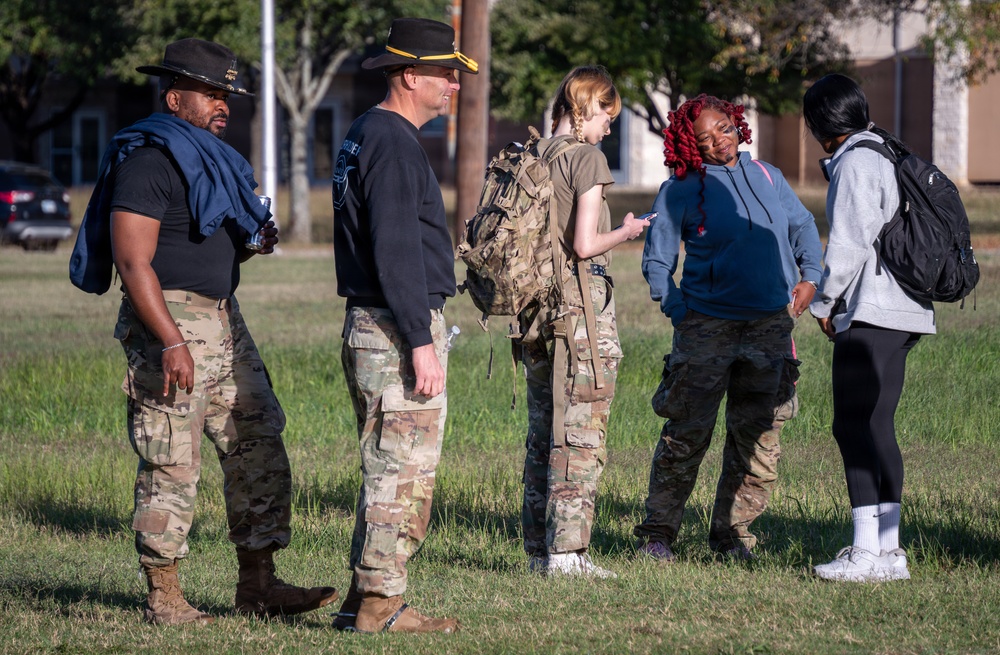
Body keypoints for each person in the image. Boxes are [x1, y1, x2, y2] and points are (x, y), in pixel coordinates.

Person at [77, 38, 338, 625]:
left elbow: (205, 247)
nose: (224, 104)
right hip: (170, 322)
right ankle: (164, 595)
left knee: (258, 437)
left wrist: (248, 246)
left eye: (228, 94)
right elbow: (132, 258)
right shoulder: (149, 161)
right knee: (171, 456)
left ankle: (259, 584)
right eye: (212, 93)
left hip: (223, 316)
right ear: (175, 97)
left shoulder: (210, 160)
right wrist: (170, 340)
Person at [330, 17, 477, 634]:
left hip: (377, 321)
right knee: (403, 471)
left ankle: (361, 599)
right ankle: (380, 606)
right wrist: (422, 340)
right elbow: (394, 248)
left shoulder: (370, 133)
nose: (453, 85)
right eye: (444, 73)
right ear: (409, 75)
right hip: (394, 326)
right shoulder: (390, 140)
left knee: (387, 464)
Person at [634, 94, 823, 562]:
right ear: (689, 145)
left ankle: (732, 539)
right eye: (705, 137)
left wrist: (811, 277)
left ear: (737, 122)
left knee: (758, 440)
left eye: (724, 127)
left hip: (770, 328)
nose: (720, 140)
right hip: (706, 330)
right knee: (685, 437)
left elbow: (802, 226)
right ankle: (658, 537)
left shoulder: (767, 175)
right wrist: (678, 309)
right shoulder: (680, 188)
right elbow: (658, 260)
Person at [519, 66, 651, 578]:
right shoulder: (586, 158)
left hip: (533, 312)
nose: (608, 128)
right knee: (580, 434)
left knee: (542, 435)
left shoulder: (532, 153)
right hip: (579, 318)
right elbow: (584, 245)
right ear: (584, 107)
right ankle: (569, 554)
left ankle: (537, 550)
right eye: (605, 115)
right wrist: (627, 230)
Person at [803, 74, 935, 582]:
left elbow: (849, 245)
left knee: (854, 425)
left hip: (872, 310)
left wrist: (825, 305)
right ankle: (889, 554)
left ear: (819, 124)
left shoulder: (856, 161)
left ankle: (865, 552)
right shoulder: (885, 148)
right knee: (877, 425)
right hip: (904, 310)